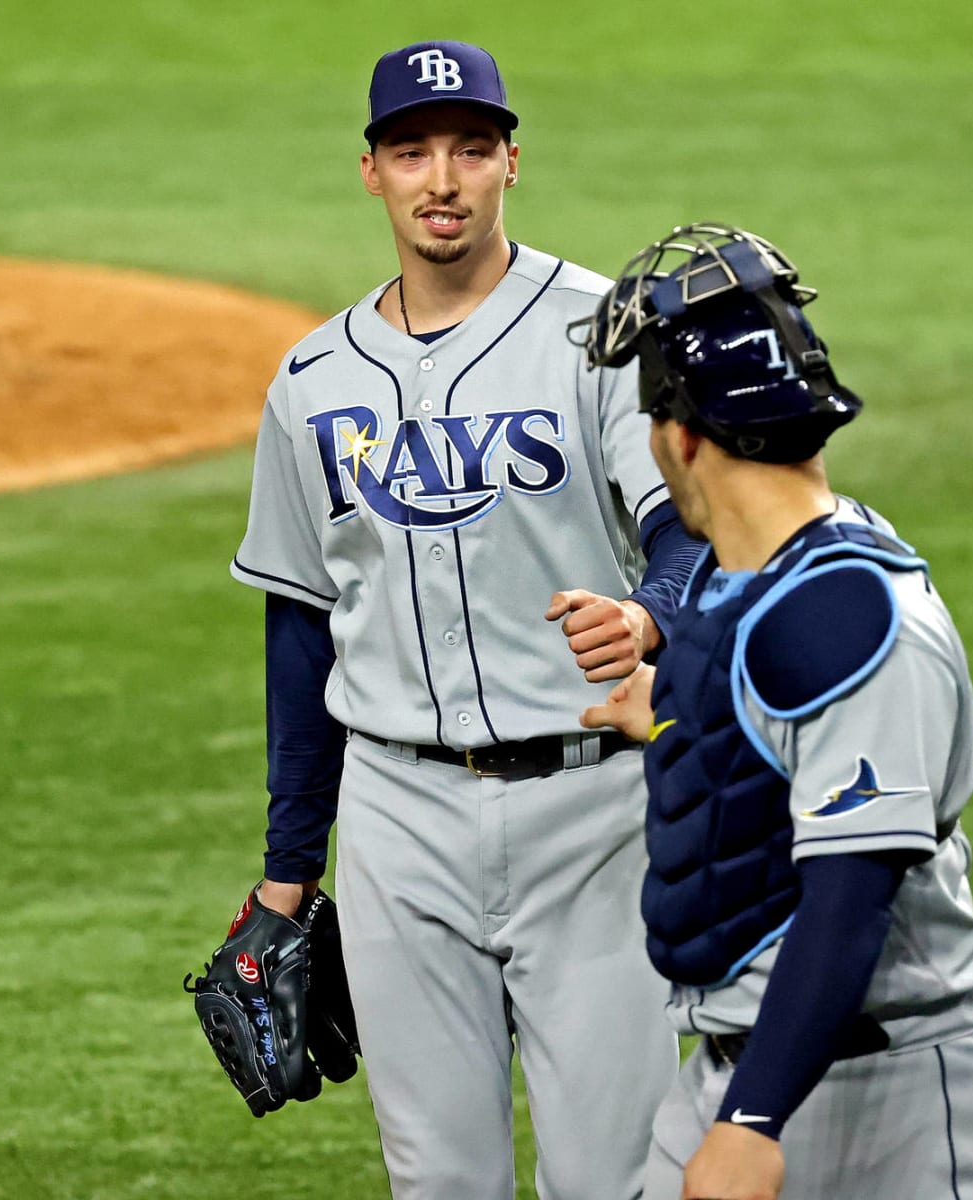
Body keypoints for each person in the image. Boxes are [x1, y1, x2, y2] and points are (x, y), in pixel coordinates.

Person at [224, 40, 703, 1200]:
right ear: (371, 172)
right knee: (437, 1182)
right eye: (413, 151)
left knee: (615, 1177)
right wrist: (290, 872)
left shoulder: (602, 330)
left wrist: (647, 616)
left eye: (470, 151)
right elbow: (303, 633)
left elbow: (694, 539)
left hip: (590, 813)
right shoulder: (311, 381)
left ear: (511, 164)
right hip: (397, 823)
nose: (443, 179)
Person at [565, 221, 973, 1200]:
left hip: (889, 1097)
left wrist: (753, 1124)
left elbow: (853, 893)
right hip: (745, 1064)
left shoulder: (846, 611)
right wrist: (671, 721)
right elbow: (771, 743)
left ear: (680, 435)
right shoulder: (758, 566)